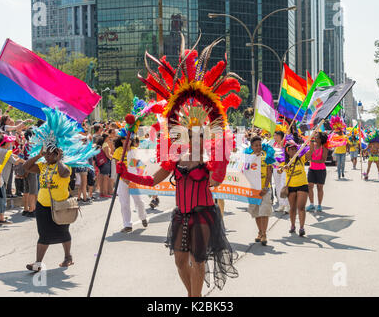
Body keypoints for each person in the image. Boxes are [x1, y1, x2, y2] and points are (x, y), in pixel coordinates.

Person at [117, 40, 239, 296]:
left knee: (198, 260)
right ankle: (191, 295)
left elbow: (216, 181)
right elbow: (151, 181)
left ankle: (194, 299)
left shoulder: (209, 162)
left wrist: (221, 157)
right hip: (181, 215)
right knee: (179, 261)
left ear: (204, 137)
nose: (194, 139)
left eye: (199, 136)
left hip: (203, 214)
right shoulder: (175, 160)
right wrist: (125, 173)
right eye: (189, 135)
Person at [24, 107, 97, 272]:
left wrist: (58, 159)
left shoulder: (64, 167)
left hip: (61, 204)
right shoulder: (42, 165)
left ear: (58, 154)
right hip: (43, 205)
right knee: (43, 234)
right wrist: (39, 155)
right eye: (47, 154)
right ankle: (38, 263)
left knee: (63, 232)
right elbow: (26, 167)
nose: (48, 156)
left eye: (51, 154)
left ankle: (67, 256)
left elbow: (64, 174)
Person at [278, 134, 313, 237]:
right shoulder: (285, 162)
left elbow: (310, 153)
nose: (293, 151)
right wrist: (283, 168)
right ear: (287, 151)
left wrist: (311, 141)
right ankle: (293, 225)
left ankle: (302, 228)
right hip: (291, 187)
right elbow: (279, 171)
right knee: (292, 208)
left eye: (294, 149)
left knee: (301, 207)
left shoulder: (301, 159)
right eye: (291, 149)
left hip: (302, 185)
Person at [113, 128, 147, 232]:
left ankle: (143, 217)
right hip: (123, 180)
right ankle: (127, 224)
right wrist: (124, 178)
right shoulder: (118, 151)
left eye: (130, 139)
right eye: (125, 139)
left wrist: (136, 177)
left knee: (139, 201)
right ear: (122, 140)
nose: (128, 141)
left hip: (134, 180)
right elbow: (117, 166)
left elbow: (140, 165)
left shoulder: (135, 151)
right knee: (124, 203)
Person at [246, 136, 275, 245]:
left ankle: (264, 234)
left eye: (260, 145)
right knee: (256, 212)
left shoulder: (266, 157)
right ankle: (260, 232)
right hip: (253, 190)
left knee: (264, 212)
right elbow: (245, 173)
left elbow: (269, 174)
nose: (258, 147)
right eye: (256, 145)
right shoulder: (248, 158)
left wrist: (265, 187)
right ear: (252, 147)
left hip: (264, 190)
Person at [0, 135, 25, 224]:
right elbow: (15, 161)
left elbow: (12, 156)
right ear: (6, 143)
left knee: (0, 196)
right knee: (2, 197)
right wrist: (23, 161)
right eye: (10, 142)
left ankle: (0, 215)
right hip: (1, 177)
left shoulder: (0, 149)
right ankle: (1, 218)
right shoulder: (4, 151)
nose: (11, 143)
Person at [306, 132, 328, 212]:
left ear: (321, 139)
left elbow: (323, 160)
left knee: (319, 188)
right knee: (309, 186)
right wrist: (311, 150)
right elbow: (307, 157)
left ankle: (319, 205)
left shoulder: (324, 148)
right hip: (311, 169)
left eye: (317, 137)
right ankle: (311, 204)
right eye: (315, 137)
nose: (315, 139)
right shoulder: (311, 146)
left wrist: (312, 160)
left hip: (321, 170)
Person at [272, 130, 289, 213]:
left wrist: (283, 147)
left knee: (283, 186)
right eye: (274, 135)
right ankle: (281, 204)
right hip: (275, 167)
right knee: (278, 186)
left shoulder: (285, 144)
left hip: (283, 168)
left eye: (276, 135)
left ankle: (287, 206)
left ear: (280, 136)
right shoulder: (274, 144)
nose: (274, 137)